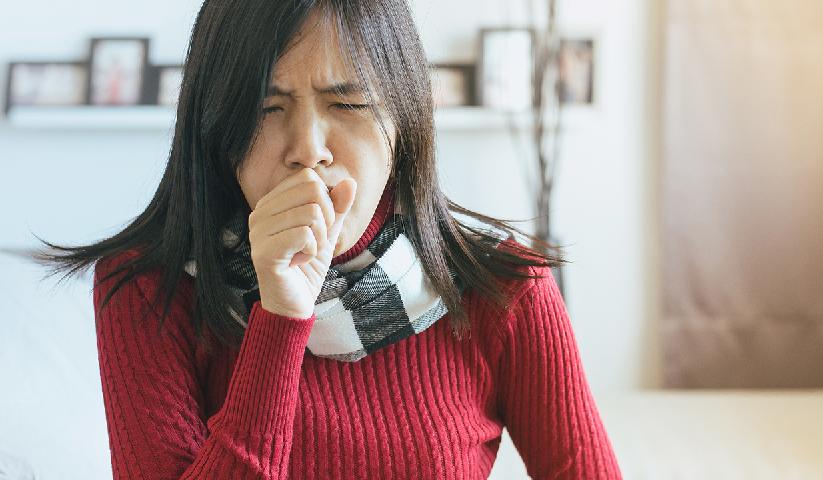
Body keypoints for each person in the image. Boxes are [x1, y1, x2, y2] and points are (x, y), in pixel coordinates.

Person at [34, 0, 622, 478]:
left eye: (348, 103)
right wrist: (281, 316)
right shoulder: (145, 288)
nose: (308, 148)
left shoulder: (502, 287)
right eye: (267, 107)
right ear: (216, 128)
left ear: (404, 121)